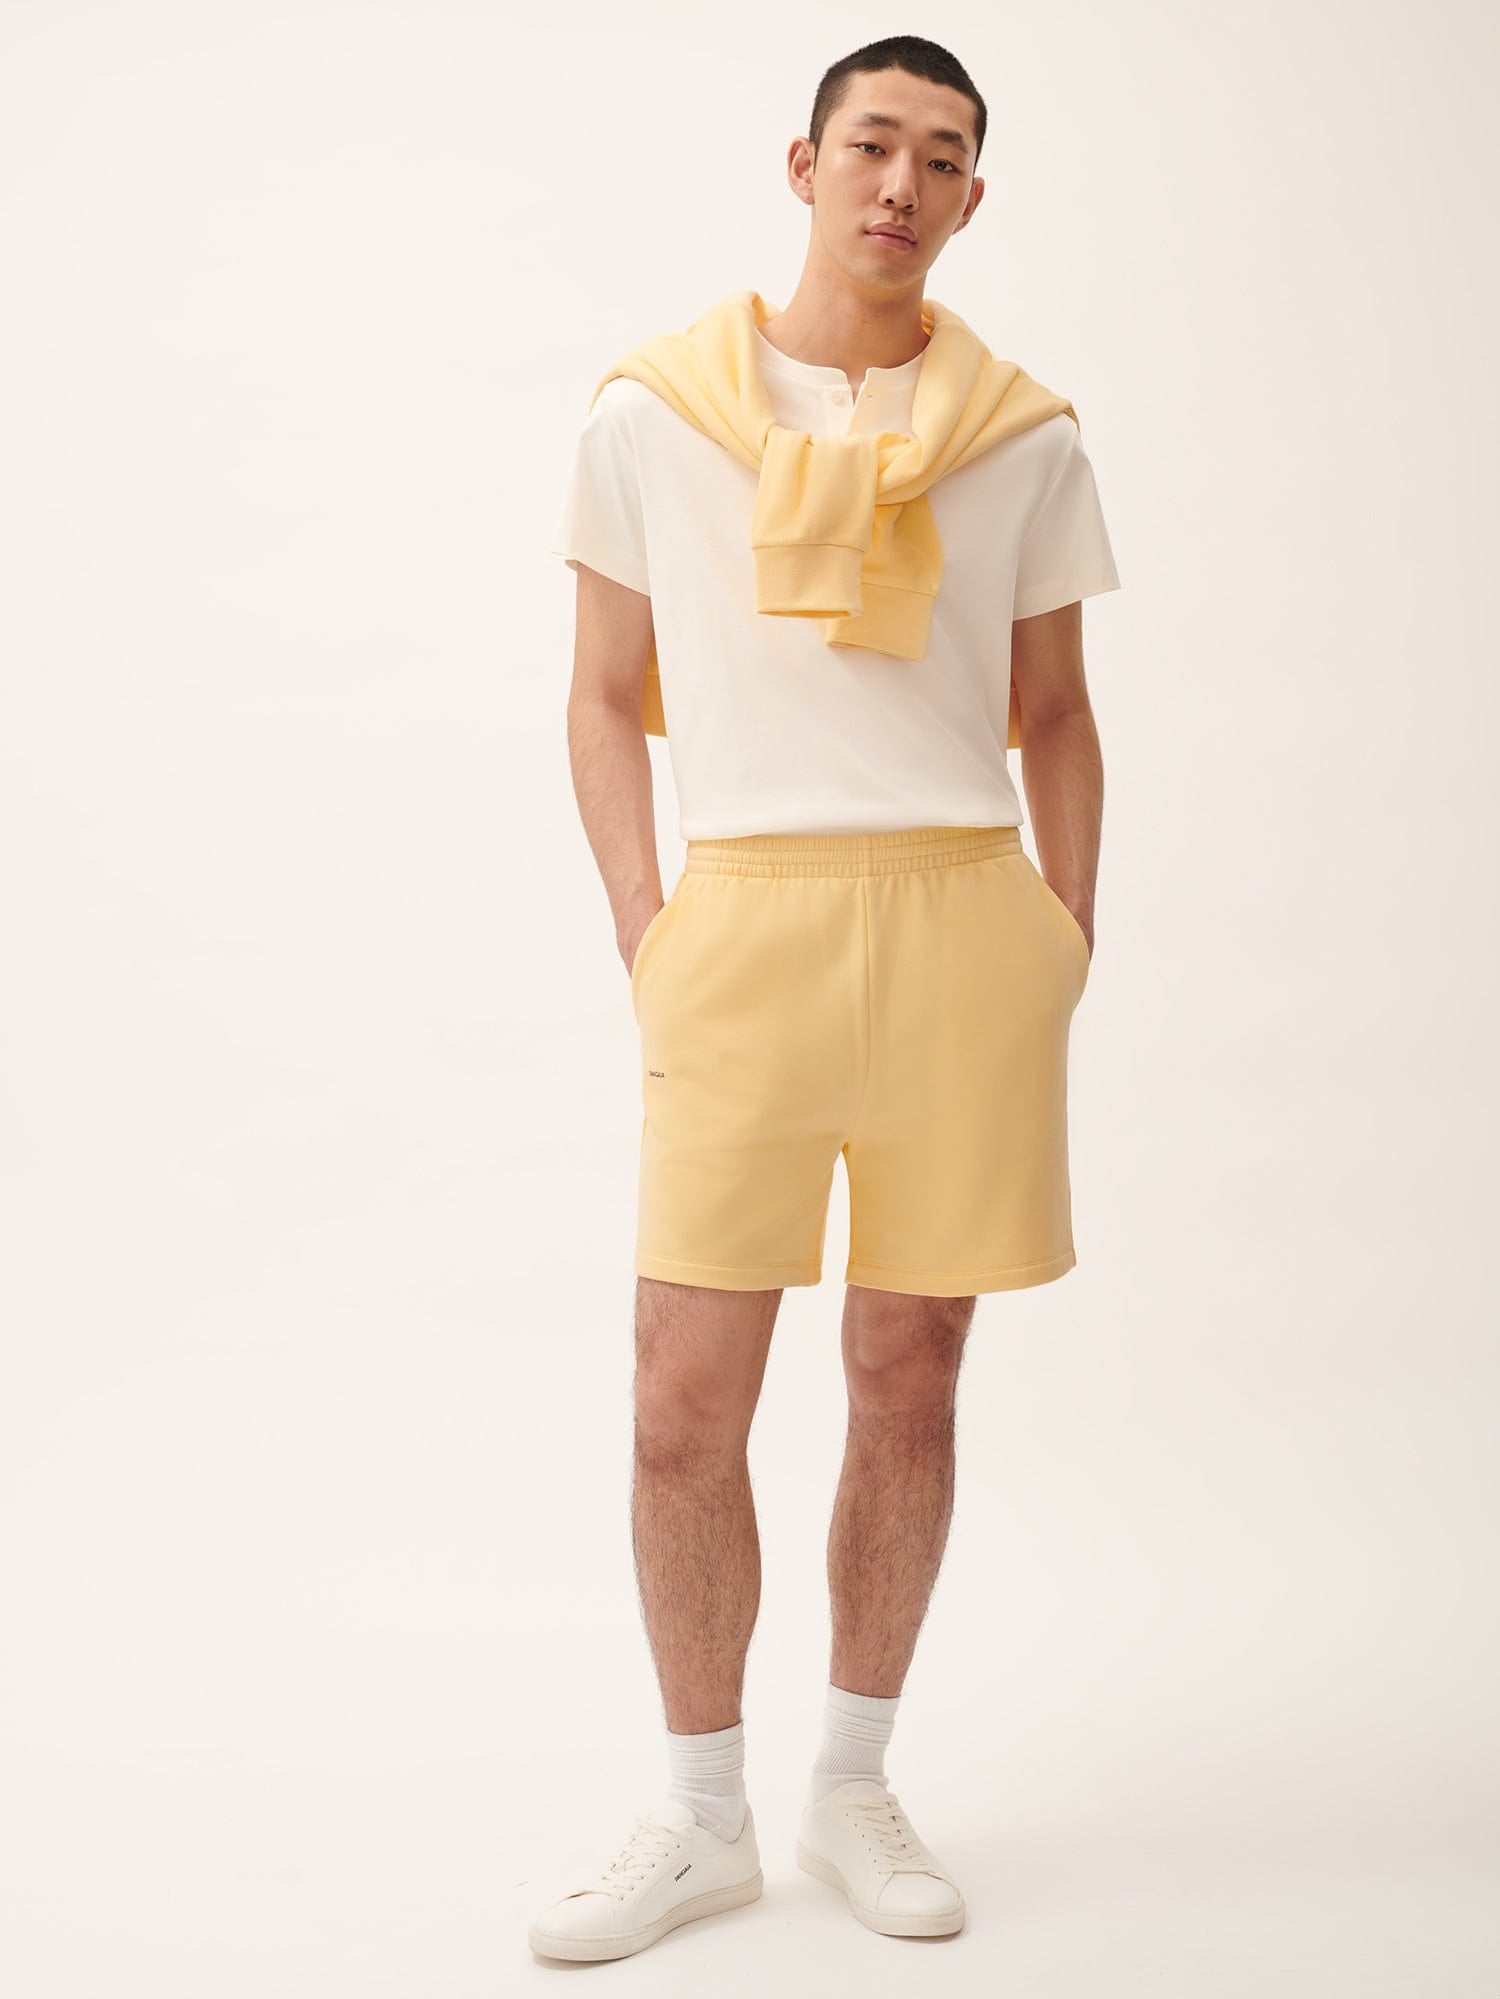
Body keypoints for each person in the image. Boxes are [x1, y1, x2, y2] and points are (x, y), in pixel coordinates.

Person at [530, 33, 1120, 1962]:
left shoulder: (1025, 437)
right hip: (745, 926)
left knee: (910, 1374)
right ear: (802, 164)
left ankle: (852, 1782)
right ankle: (700, 1815)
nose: (900, 183)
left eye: (942, 157)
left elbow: (1057, 713)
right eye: (872, 143)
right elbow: (598, 696)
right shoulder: (652, 417)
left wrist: (1065, 935)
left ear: (973, 198)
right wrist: (649, 923)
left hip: (962, 926)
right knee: (679, 1398)